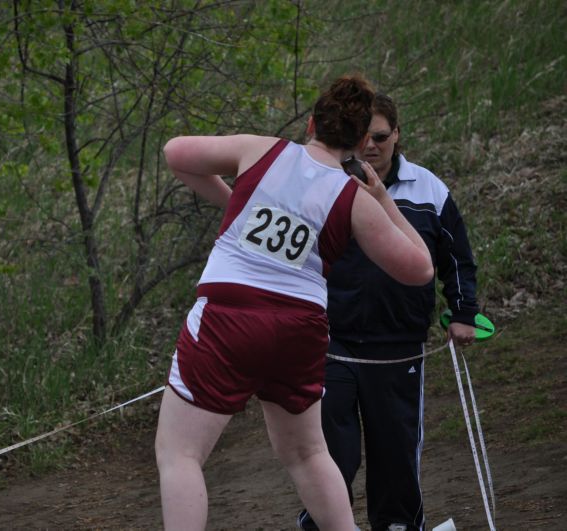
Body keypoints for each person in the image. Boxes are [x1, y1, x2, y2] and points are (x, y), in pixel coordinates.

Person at [155, 74, 434, 531]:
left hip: (230, 314)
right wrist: (382, 198)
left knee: (180, 453)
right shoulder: (354, 199)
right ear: (362, 141)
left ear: (310, 124)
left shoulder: (263, 150)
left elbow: (175, 153)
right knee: (307, 454)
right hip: (299, 329)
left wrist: (235, 204)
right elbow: (420, 267)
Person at [296, 94, 480, 531]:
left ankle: (397, 525)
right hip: (331, 343)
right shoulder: (324, 184)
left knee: (395, 450)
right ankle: (321, 524)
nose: (372, 146)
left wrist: (464, 312)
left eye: (380, 137)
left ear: (396, 134)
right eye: (363, 138)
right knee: (330, 451)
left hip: (399, 349)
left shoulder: (428, 189)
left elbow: (457, 257)